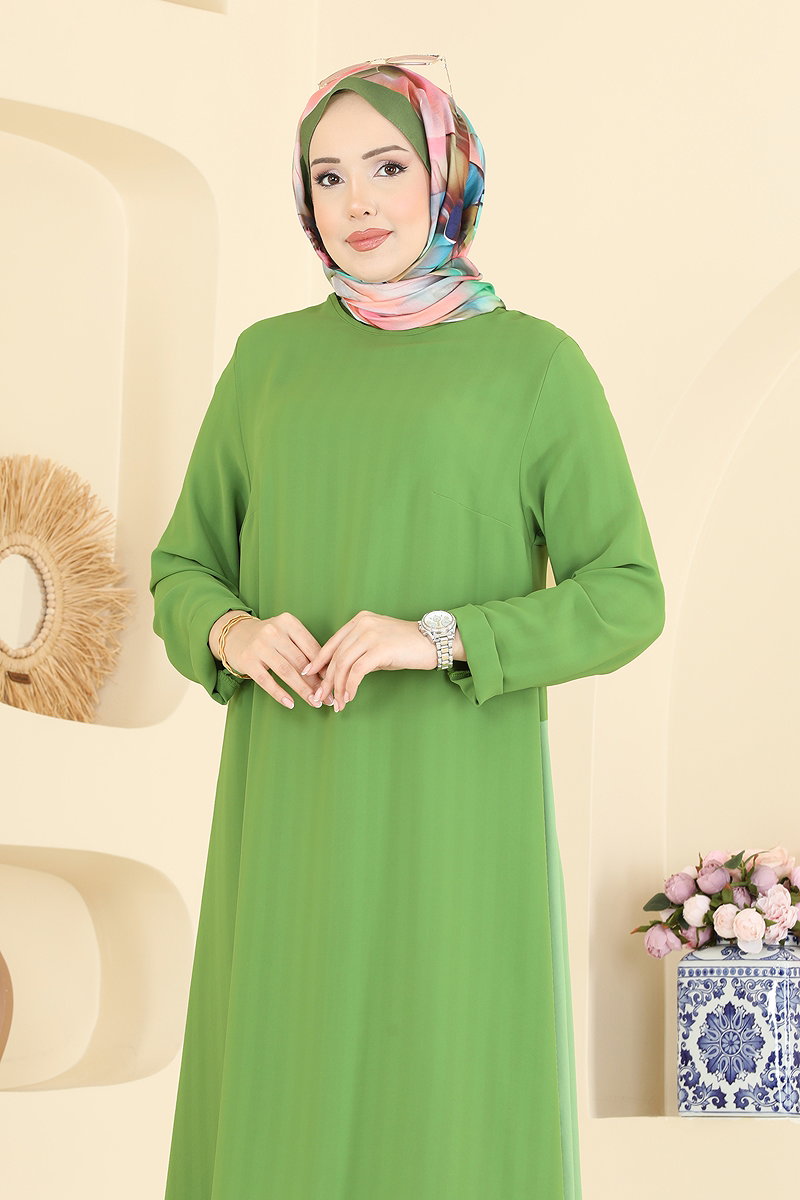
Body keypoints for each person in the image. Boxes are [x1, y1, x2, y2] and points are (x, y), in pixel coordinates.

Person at [150, 56, 665, 1200]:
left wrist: (438, 637)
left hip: (451, 813)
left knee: (441, 1088)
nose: (358, 202)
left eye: (387, 166)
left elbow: (626, 592)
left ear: (445, 175)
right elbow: (182, 568)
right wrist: (230, 633)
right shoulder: (268, 363)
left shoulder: (534, 366)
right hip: (289, 810)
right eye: (327, 176)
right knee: (281, 1086)